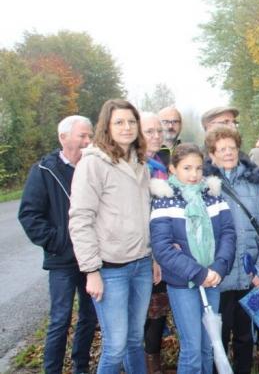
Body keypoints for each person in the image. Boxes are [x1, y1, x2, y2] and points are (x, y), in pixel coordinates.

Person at [69, 99, 153, 374]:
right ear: (107, 126)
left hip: (141, 264)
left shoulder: (141, 161)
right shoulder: (93, 163)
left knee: (134, 339)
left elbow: (146, 214)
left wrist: (154, 257)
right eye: (119, 122)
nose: (126, 127)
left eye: (131, 121)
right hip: (110, 270)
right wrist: (91, 270)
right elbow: (80, 219)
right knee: (115, 346)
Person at [18, 115, 97, 374]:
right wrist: (60, 240)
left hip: (93, 258)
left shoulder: (95, 167)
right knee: (60, 319)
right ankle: (52, 370)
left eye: (90, 136)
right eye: (82, 136)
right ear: (63, 138)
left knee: (89, 317)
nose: (88, 141)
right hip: (62, 259)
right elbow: (29, 215)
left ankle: (81, 367)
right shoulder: (43, 171)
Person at [149, 143, 236, 374]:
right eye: (187, 168)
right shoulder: (165, 199)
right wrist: (199, 273)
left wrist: (218, 267)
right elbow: (162, 247)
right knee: (192, 349)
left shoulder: (213, 196)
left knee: (209, 345)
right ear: (173, 169)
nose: (194, 174)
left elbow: (228, 233)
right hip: (183, 283)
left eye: (198, 168)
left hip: (213, 280)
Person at [203, 126, 259, 374]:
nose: (228, 153)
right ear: (212, 155)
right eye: (221, 149)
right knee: (219, 338)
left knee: (246, 338)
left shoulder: (254, 183)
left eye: (232, 148)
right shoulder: (203, 186)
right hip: (218, 277)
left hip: (249, 274)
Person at [141, 112, 170, 374]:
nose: (156, 136)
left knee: (158, 309)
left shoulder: (160, 164)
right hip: (143, 250)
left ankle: (153, 359)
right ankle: (146, 363)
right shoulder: (134, 165)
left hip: (164, 246)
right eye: (149, 131)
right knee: (144, 312)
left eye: (158, 131)